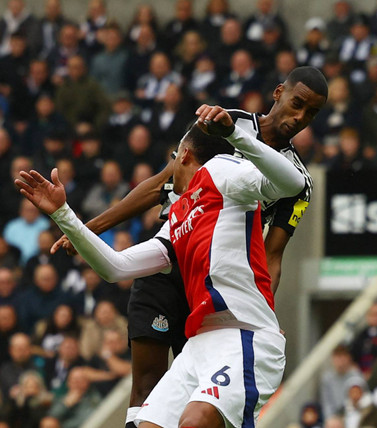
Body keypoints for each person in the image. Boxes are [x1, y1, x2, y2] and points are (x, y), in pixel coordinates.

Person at [17, 75, 325, 427]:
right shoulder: (183, 205)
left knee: (197, 418)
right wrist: (73, 220)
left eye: (311, 113)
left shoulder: (230, 170)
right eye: (297, 104)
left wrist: (266, 309)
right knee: (148, 399)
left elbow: (275, 248)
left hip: (234, 289)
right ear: (279, 93)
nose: (300, 117)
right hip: (184, 267)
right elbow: (119, 259)